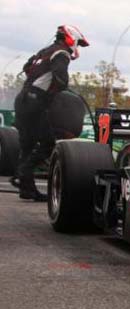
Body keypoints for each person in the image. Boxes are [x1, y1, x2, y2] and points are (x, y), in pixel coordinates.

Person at [11, 25, 89, 201]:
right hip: (34, 102)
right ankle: (23, 172)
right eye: (78, 43)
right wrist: (62, 87)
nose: (77, 47)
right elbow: (60, 75)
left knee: (28, 146)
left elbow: (27, 66)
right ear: (71, 38)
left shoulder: (45, 51)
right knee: (47, 143)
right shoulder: (62, 53)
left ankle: (27, 190)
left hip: (22, 99)